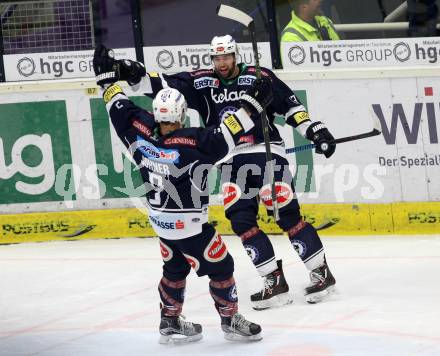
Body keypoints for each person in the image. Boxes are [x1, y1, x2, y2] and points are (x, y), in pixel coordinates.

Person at [103, 34, 337, 308]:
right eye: (217, 58)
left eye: (226, 56)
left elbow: (291, 107)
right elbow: (164, 85)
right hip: (229, 159)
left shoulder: (260, 76)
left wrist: (314, 130)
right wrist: (133, 74)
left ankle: (321, 272)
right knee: (241, 220)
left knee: (284, 212)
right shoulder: (202, 82)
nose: (222, 63)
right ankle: (273, 279)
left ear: (235, 55)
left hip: (267, 152)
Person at [92, 44, 271, 343]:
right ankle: (229, 320)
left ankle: (170, 321)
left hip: (161, 223)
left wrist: (106, 79)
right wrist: (254, 104)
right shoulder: (196, 141)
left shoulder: (139, 130)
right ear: (182, 113)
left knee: (174, 267)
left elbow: (117, 105)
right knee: (222, 266)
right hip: (190, 226)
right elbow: (230, 129)